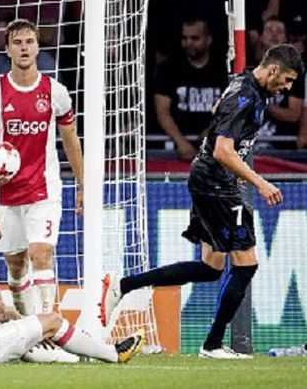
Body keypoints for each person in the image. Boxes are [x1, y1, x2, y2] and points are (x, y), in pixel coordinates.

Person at [101, 44, 304, 359]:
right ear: (274, 70)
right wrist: (260, 182)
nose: (288, 88)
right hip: (216, 184)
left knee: (211, 267)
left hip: (208, 178)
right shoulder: (245, 95)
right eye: (287, 80)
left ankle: (123, 285)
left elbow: (216, 112)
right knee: (246, 263)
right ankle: (212, 344)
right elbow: (223, 150)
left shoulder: (245, 83)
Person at [0, 190, 144, 365]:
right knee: (51, 321)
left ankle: (74, 355)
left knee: (27, 335)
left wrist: (30, 329)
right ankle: (113, 353)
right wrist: (35, 325)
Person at [0, 18, 83, 362]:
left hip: (44, 188)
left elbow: (70, 140)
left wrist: (82, 184)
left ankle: (49, 329)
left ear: (37, 46)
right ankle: (27, 329)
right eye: (17, 42)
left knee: (41, 254)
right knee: (17, 266)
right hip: (5, 193)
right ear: (7, 49)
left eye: (29, 41)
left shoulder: (55, 92)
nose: (24, 47)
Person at [153, 18, 229, 160]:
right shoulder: (169, 68)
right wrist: (181, 142)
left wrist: (213, 130)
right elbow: (162, 112)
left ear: (208, 40)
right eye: (185, 38)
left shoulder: (222, 69)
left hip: (215, 145)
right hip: (175, 144)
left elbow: (232, 108)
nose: (188, 43)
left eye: (195, 38)